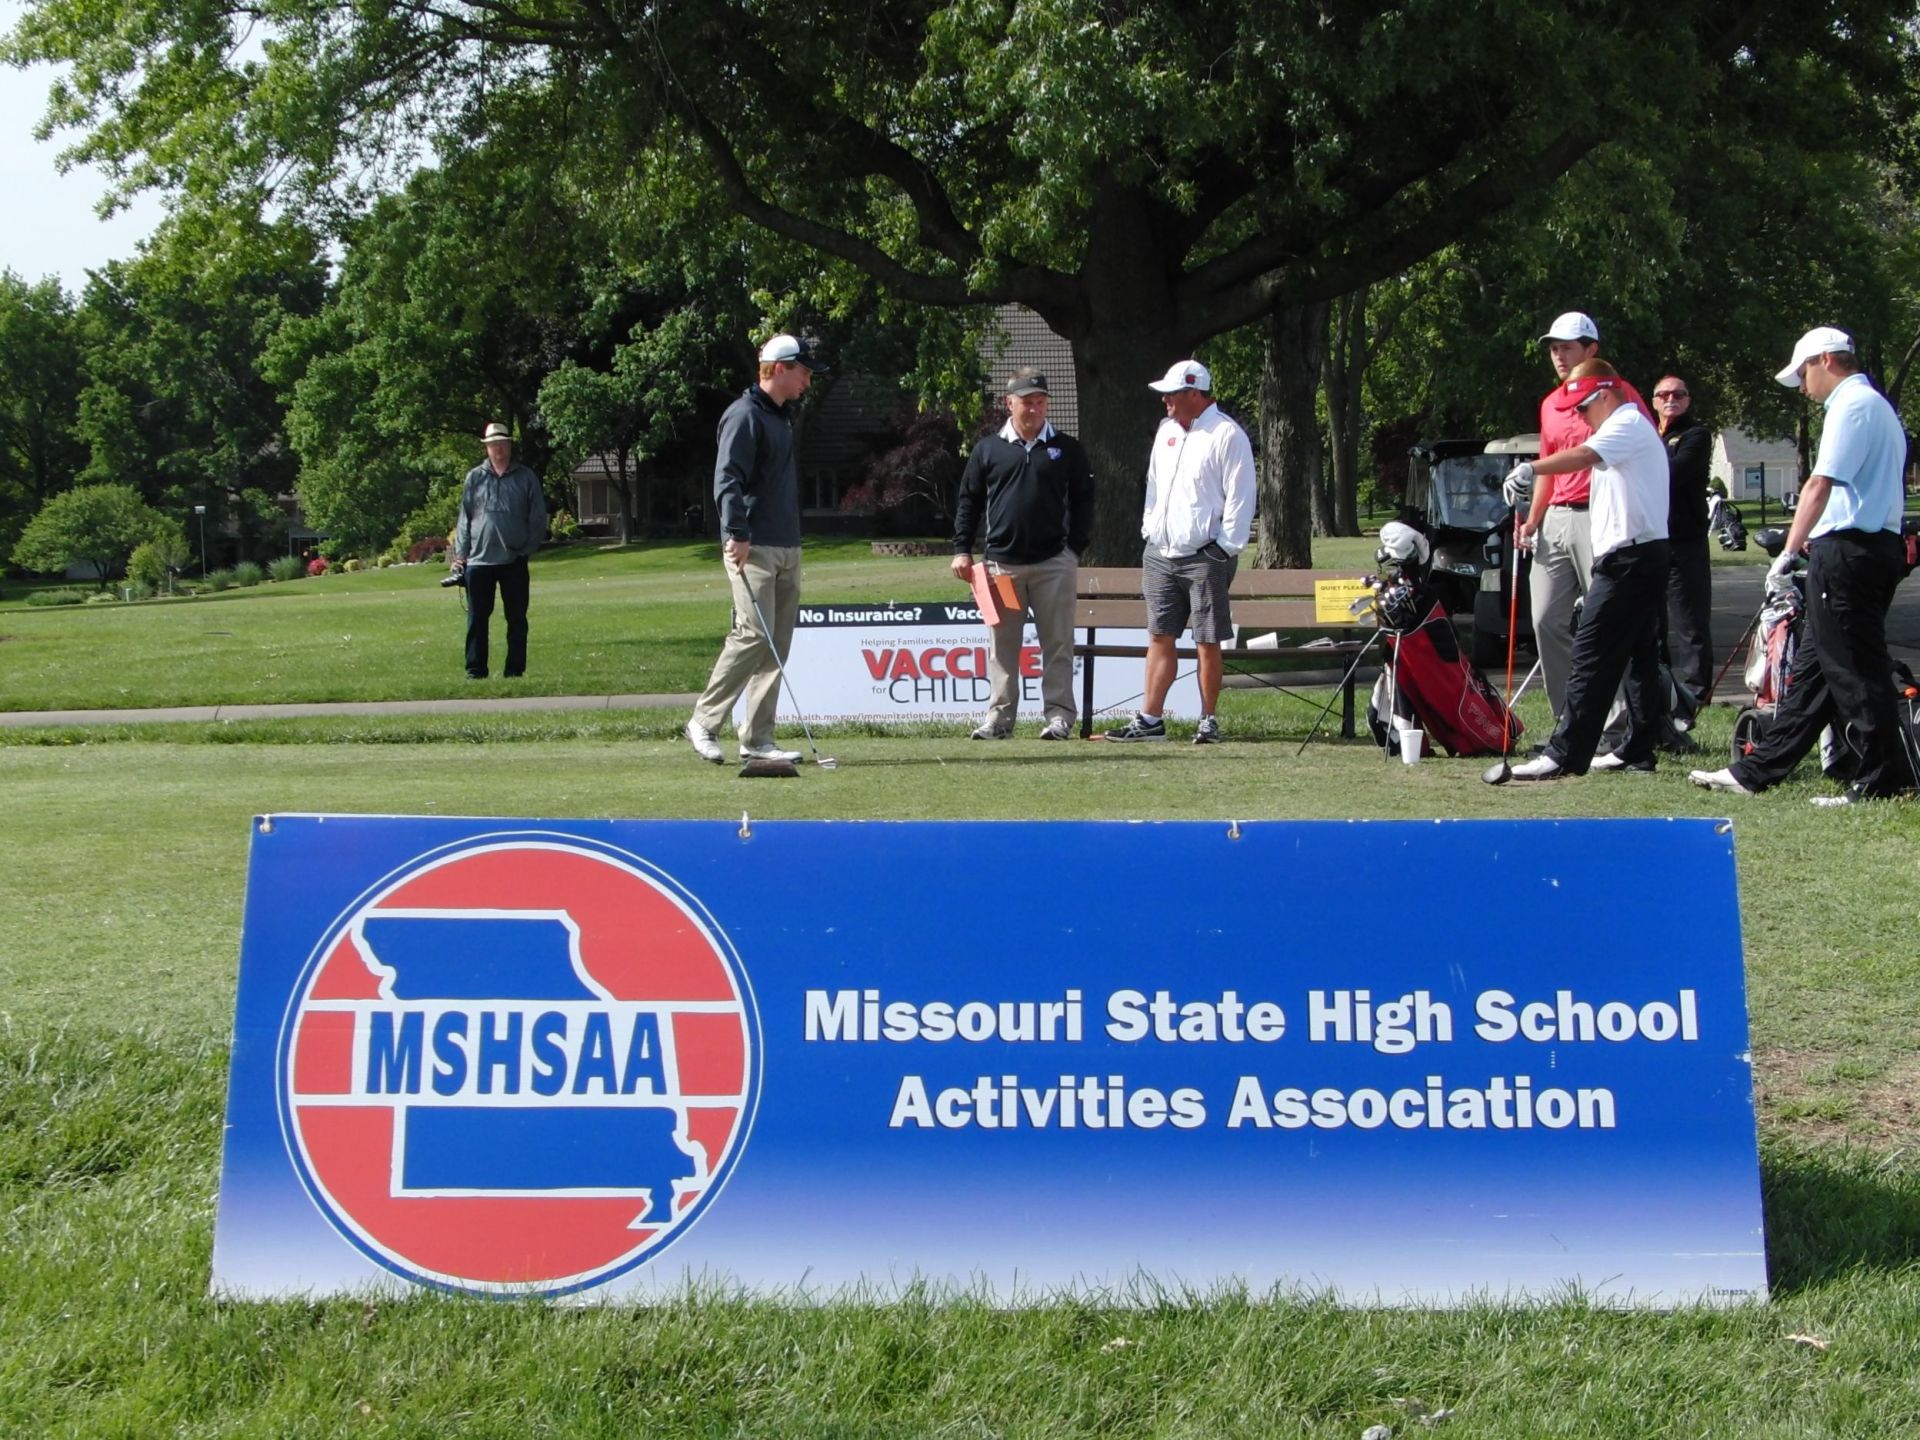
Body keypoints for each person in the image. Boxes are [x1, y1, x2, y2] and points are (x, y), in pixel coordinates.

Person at [1691, 327, 1911, 804]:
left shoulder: (1852, 405)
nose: (1804, 387)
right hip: (1863, 549)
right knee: (1813, 673)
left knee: (1853, 670)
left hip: (1849, 552)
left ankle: (1881, 779)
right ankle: (1757, 770)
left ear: (1826, 359)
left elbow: (1818, 484)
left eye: (1804, 373)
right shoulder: (1872, 405)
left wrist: (1788, 552)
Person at [1499, 361, 1670, 780]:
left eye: (1583, 407)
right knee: (1640, 657)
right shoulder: (1622, 426)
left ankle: (1564, 753)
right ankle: (1639, 748)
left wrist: (1531, 467)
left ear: (1605, 396)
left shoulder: (1626, 423)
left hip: (1630, 560)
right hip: (1637, 555)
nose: (1579, 416)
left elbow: (1582, 456)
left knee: (1590, 653)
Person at [1508, 313, 1653, 737]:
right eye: (1554, 348)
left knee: (1606, 621)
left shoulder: (1619, 396)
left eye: (1567, 347)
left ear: (1592, 349)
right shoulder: (1550, 404)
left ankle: (1616, 724)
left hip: (1602, 515)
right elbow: (1549, 468)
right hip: (1556, 517)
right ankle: (1570, 721)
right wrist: (1533, 520)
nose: (1558, 355)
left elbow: (1622, 455)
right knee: (1545, 619)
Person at [684, 334, 827, 765]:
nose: (807, 381)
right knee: (752, 633)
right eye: (803, 372)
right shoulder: (744, 415)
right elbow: (727, 478)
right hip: (752, 545)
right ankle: (704, 722)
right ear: (780, 368)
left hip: (787, 544)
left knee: (776, 645)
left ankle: (758, 739)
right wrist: (737, 532)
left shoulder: (781, 417)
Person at [1104, 359, 1256, 744]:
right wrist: (1150, 528)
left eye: (1172, 393)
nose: (1165, 400)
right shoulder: (1166, 431)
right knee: (1160, 635)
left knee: (1207, 639)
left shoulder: (1227, 434)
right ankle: (1150, 720)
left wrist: (1224, 548)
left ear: (1194, 392)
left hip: (1207, 554)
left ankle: (1208, 720)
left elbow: (1241, 496)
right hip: (1161, 551)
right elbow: (1154, 486)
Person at [950, 367, 1095, 740]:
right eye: (1027, 402)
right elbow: (968, 501)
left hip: (1054, 564)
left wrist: (1074, 550)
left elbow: (1084, 501)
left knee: (1058, 644)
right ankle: (999, 720)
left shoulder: (1067, 449)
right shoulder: (988, 449)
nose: (1034, 409)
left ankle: (1059, 717)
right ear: (1009, 403)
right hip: (1001, 566)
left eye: (1040, 401)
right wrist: (962, 550)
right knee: (1002, 648)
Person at [450, 422, 547, 679]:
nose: (498, 449)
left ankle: (514, 671)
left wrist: (527, 548)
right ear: (487, 448)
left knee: (516, 619)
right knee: (477, 619)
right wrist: (460, 555)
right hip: (478, 561)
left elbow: (538, 517)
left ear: (509, 445)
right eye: (493, 445)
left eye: (502, 444)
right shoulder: (475, 478)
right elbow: (464, 518)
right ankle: (475, 670)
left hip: (514, 560)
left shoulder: (526, 477)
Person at [1653, 374, 1714, 707]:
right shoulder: (1649, 434)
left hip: (1685, 541)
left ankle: (1695, 696)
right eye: (1663, 395)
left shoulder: (1696, 435)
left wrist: (1643, 464)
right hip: (1651, 540)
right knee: (1652, 624)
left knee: (1690, 623)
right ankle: (1659, 691)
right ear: (1654, 402)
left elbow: (1674, 474)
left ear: (1688, 400)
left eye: (1678, 394)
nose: (1670, 399)